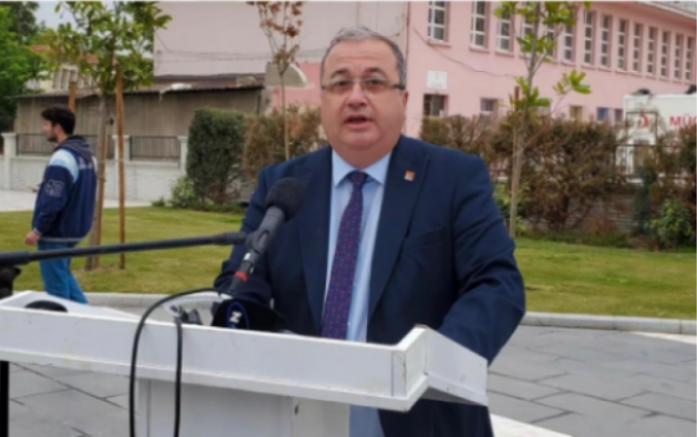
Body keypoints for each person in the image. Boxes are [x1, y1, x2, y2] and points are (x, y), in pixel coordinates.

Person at [214, 26, 525, 437]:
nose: (356, 97)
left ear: (404, 100)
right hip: (300, 413)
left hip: (419, 415)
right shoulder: (283, 186)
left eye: (374, 83)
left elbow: (497, 285)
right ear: (323, 100)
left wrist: (435, 362)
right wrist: (257, 341)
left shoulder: (453, 179)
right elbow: (242, 283)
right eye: (340, 84)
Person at [24, 106, 97, 304]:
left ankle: (63, 321)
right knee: (64, 276)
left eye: (46, 124)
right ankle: (86, 318)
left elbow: (53, 201)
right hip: (76, 229)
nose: (43, 129)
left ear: (57, 128)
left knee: (56, 289)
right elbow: (79, 190)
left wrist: (38, 230)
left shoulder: (62, 157)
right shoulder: (87, 156)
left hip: (57, 232)